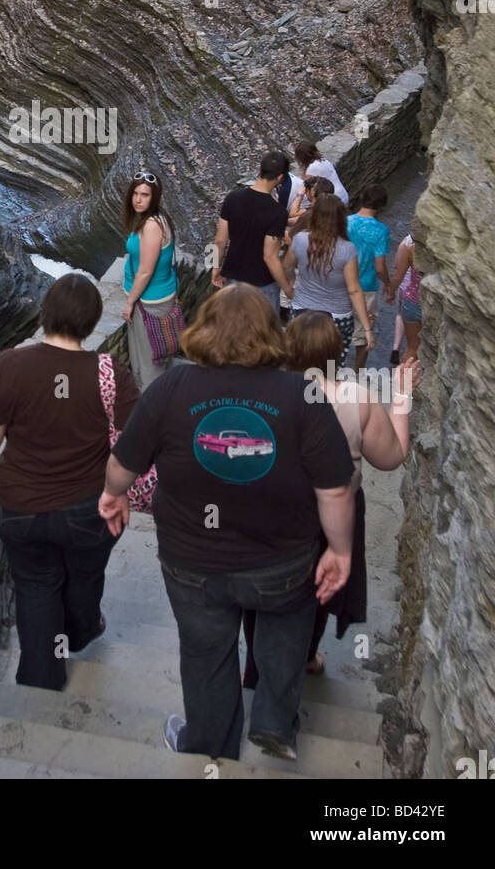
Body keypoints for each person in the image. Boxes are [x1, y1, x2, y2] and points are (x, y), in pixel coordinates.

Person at [99, 284, 355, 762]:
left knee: (205, 652)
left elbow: (123, 462)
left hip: (192, 562)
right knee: (284, 637)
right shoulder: (303, 394)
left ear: (204, 329)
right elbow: (335, 489)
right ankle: (275, 725)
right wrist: (339, 550)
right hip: (283, 560)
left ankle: (212, 742)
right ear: (272, 333)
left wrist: (113, 495)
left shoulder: (172, 388)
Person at [0, 273, 139, 691]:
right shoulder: (111, 374)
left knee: (36, 585)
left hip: (18, 505)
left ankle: (42, 677)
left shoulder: (9, 365)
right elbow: (133, 447)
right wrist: (119, 492)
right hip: (89, 508)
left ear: (45, 314)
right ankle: (79, 632)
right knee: (85, 575)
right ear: (91, 321)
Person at [242, 311, 417, 684]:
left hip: (272, 510)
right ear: (336, 354)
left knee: (261, 585)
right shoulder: (358, 399)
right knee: (320, 588)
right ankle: (304, 656)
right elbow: (392, 457)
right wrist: (401, 396)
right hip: (333, 515)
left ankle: (256, 667)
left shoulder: (262, 394)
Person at [284, 194, 374, 364]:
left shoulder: (300, 239)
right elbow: (354, 290)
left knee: (297, 360)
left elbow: (287, 267)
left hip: (301, 309)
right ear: (340, 219)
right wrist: (367, 329)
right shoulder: (347, 249)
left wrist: (291, 288)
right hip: (337, 317)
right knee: (331, 367)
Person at [212, 151, 294, 311]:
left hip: (233, 280)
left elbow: (219, 241)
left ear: (261, 170)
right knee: (264, 327)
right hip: (263, 285)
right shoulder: (277, 213)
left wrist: (214, 267)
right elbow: (270, 257)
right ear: (280, 177)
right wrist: (287, 289)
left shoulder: (232, 198)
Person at [122, 171, 179, 389]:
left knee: (149, 364)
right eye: (135, 193)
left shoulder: (152, 226)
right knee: (149, 355)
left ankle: (152, 401)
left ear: (154, 197)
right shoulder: (154, 218)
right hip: (150, 297)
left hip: (150, 302)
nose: (138, 199)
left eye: (144, 195)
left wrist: (129, 302)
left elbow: (146, 271)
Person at [347, 183, 393, 369]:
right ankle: (356, 376)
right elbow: (380, 268)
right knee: (363, 339)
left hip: (342, 285)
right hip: (366, 287)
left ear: (362, 198)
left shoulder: (345, 221)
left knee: (336, 334)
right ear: (381, 205)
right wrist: (388, 284)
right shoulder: (381, 230)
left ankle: (330, 375)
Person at [390, 233, 421, 357]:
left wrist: (390, 292)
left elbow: (397, 269)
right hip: (430, 302)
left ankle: (396, 347)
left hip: (411, 298)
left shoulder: (407, 244)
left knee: (412, 348)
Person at [294, 140, 349, 205]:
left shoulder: (312, 168)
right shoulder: (323, 160)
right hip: (342, 194)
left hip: (334, 200)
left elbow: (304, 183)